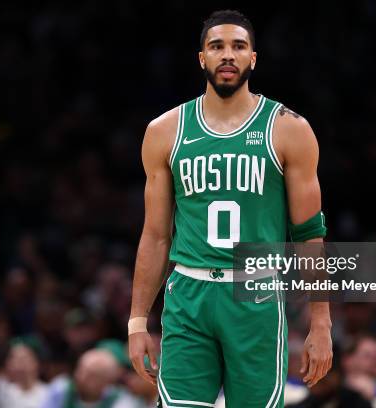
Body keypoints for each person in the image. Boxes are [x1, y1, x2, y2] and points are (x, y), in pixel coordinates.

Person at [128, 9, 332, 408]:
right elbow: (155, 235)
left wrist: (321, 322)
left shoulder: (289, 128)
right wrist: (138, 321)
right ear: (201, 57)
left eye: (238, 46)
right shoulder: (164, 131)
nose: (227, 55)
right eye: (216, 46)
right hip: (189, 291)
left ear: (253, 58)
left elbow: (308, 233)